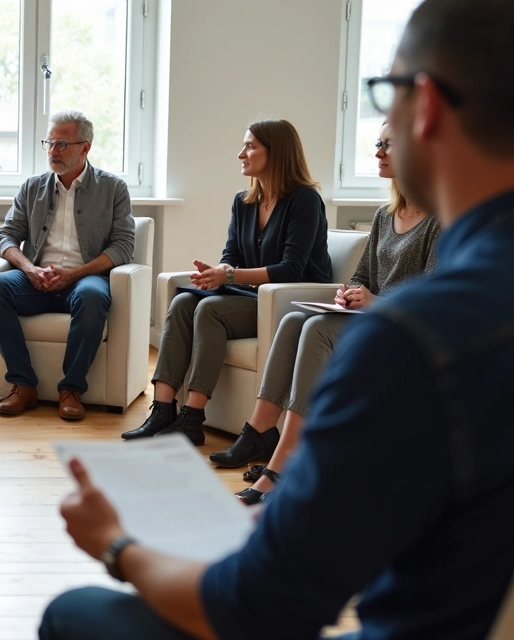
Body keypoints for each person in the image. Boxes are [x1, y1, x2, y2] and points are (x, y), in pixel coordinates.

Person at [40, 0, 514, 637]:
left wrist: (117, 544)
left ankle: (205, 424)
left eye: (385, 93)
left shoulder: (413, 342)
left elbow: (259, 608)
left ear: (424, 105)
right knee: (190, 301)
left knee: (74, 614)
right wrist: (299, 513)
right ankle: (175, 412)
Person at [211, 122, 441, 507]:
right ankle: (261, 427)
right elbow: (363, 274)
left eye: (388, 144)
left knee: (316, 327)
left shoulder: (439, 218)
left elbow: (434, 294)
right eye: (377, 143)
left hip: (401, 327)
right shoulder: (386, 215)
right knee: (293, 320)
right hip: (370, 317)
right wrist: (348, 291)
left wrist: (377, 302)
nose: (378, 152)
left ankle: (284, 463)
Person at [123, 119, 331, 445]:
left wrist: (229, 275)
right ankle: (162, 410)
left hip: (288, 300)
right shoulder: (243, 201)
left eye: (250, 146)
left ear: (276, 153)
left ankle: (192, 419)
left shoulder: (304, 200)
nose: (240, 154)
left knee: (211, 311)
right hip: (250, 296)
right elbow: (232, 253)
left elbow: (291, 269)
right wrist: (216, 272)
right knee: (183, 302)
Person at [0, 110, 135, 421]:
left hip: (83, 280)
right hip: (36, 280)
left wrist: (74, 274)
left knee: (93, 297)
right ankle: (23, 384)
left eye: (62, 144)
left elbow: (123, 246)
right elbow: (5, 236)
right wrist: (29, 269)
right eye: (50, 143)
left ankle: (71, 390)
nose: (53, 151)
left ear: (85, 147)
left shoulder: (113, 189)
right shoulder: (32, 187)